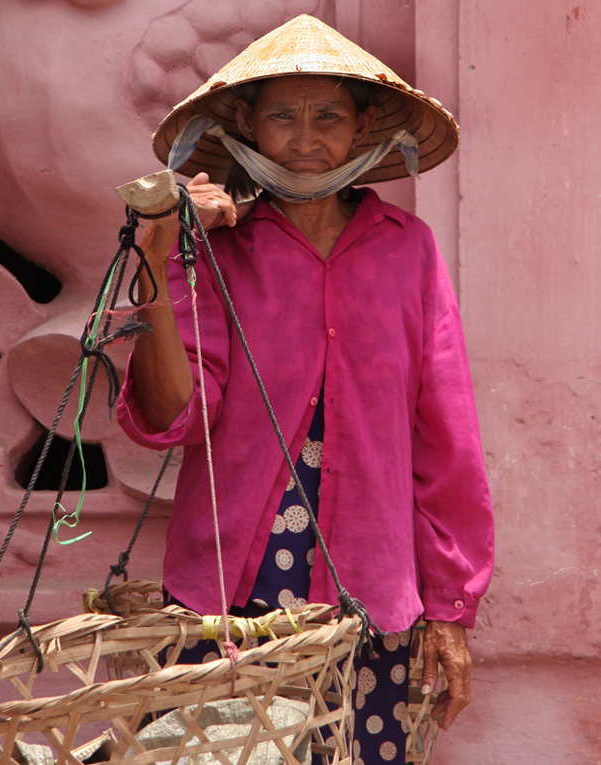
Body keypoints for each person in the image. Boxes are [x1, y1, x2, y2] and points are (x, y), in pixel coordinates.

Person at [117, 14, 494, 764]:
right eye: (282, 116)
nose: (304, 136)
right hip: (232, 594)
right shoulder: (217, 252)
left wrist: (452, 606)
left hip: (371, 592)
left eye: (328, 115)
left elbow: (446, 434)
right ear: (250, 129)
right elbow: (173, 415)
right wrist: (159, 259)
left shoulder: (407, 252)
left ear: (361, 130)